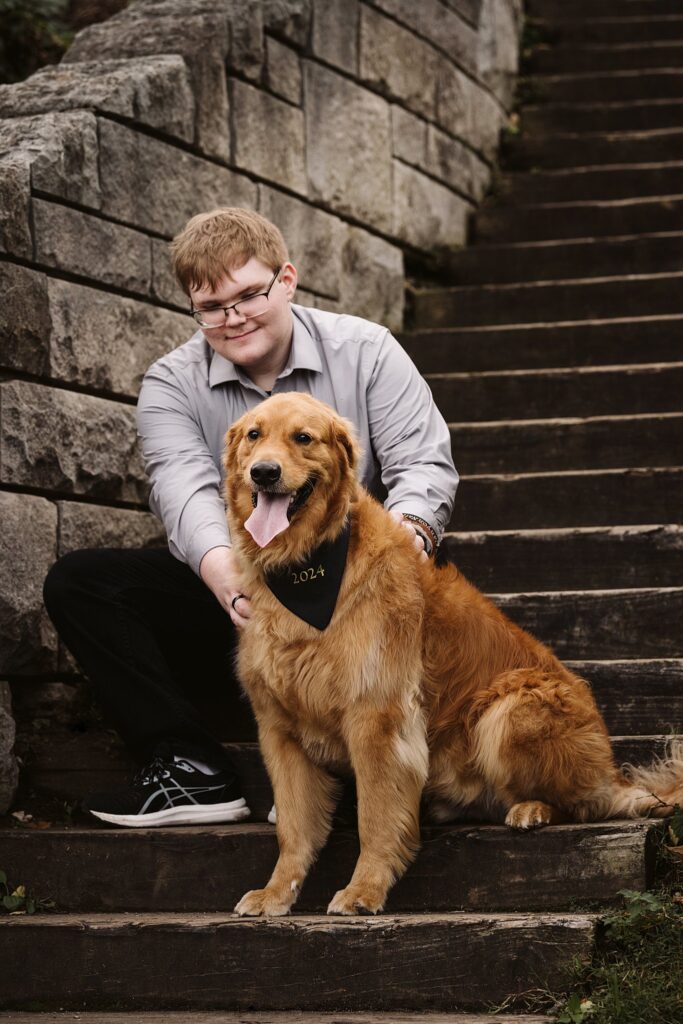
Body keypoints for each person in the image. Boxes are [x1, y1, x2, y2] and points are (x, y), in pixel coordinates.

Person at [43, 207, 459, 828]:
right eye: (212, 306)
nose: (233, 317)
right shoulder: (171, 385)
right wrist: (225, 575)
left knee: (436, 580)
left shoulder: (367, 351)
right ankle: (192, 768)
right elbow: (182, 490)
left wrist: (399, 549)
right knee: (81, 583)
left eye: (250, 294)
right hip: (249, 595)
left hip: (360, 588)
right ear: (194, 308)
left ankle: (406, 761)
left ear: (286, 280)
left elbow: (423, 465)